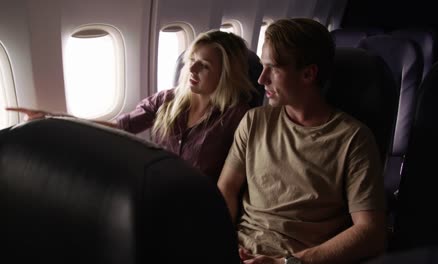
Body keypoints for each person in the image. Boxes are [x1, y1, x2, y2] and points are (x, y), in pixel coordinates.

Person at [217, 18, 386, 264]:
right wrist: (219, 241)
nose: (262, 79)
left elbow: (371, 232)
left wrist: (287, 262)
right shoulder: (254, 121)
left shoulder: (353, 139)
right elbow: (226, 191)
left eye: (273, 68)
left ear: (308, 73)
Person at [7, 30, 256, 183]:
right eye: (191, 60)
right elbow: (119, 127)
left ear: (226, 73)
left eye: (204, 65)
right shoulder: (166, 100)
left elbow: (236, 181)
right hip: (157, 187)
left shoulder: (238, 117)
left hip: (196, 201)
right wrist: (54, 118)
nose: (190, 69)